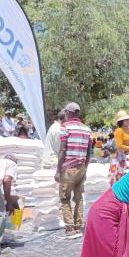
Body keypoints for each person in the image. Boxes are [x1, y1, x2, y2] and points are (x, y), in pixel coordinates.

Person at [55, 102, 92, 239]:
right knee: (79, 197)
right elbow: (89, 151)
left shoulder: (65, 127)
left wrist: (58, 170)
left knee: (65, 198)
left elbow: (63, 149)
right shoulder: (87, 129)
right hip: (81, 167)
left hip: (68, 167)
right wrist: (85, 166)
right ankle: (78, 225)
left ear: (69, 113)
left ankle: (70, 228)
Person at [110, 110, 129, 185]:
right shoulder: (119, 131)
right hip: (120, 158)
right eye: (126, 119)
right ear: (121, 121)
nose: (128, 120)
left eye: (128, 119)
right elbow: (119, 146)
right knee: (120, 178)